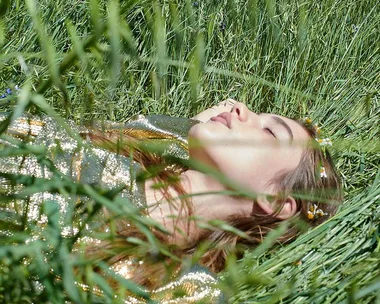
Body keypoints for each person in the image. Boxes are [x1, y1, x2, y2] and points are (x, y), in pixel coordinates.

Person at [0, 100, 342, 303]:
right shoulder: (142, 148)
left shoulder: (185, 285)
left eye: (270, 132)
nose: (242, 108)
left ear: (276, 199)